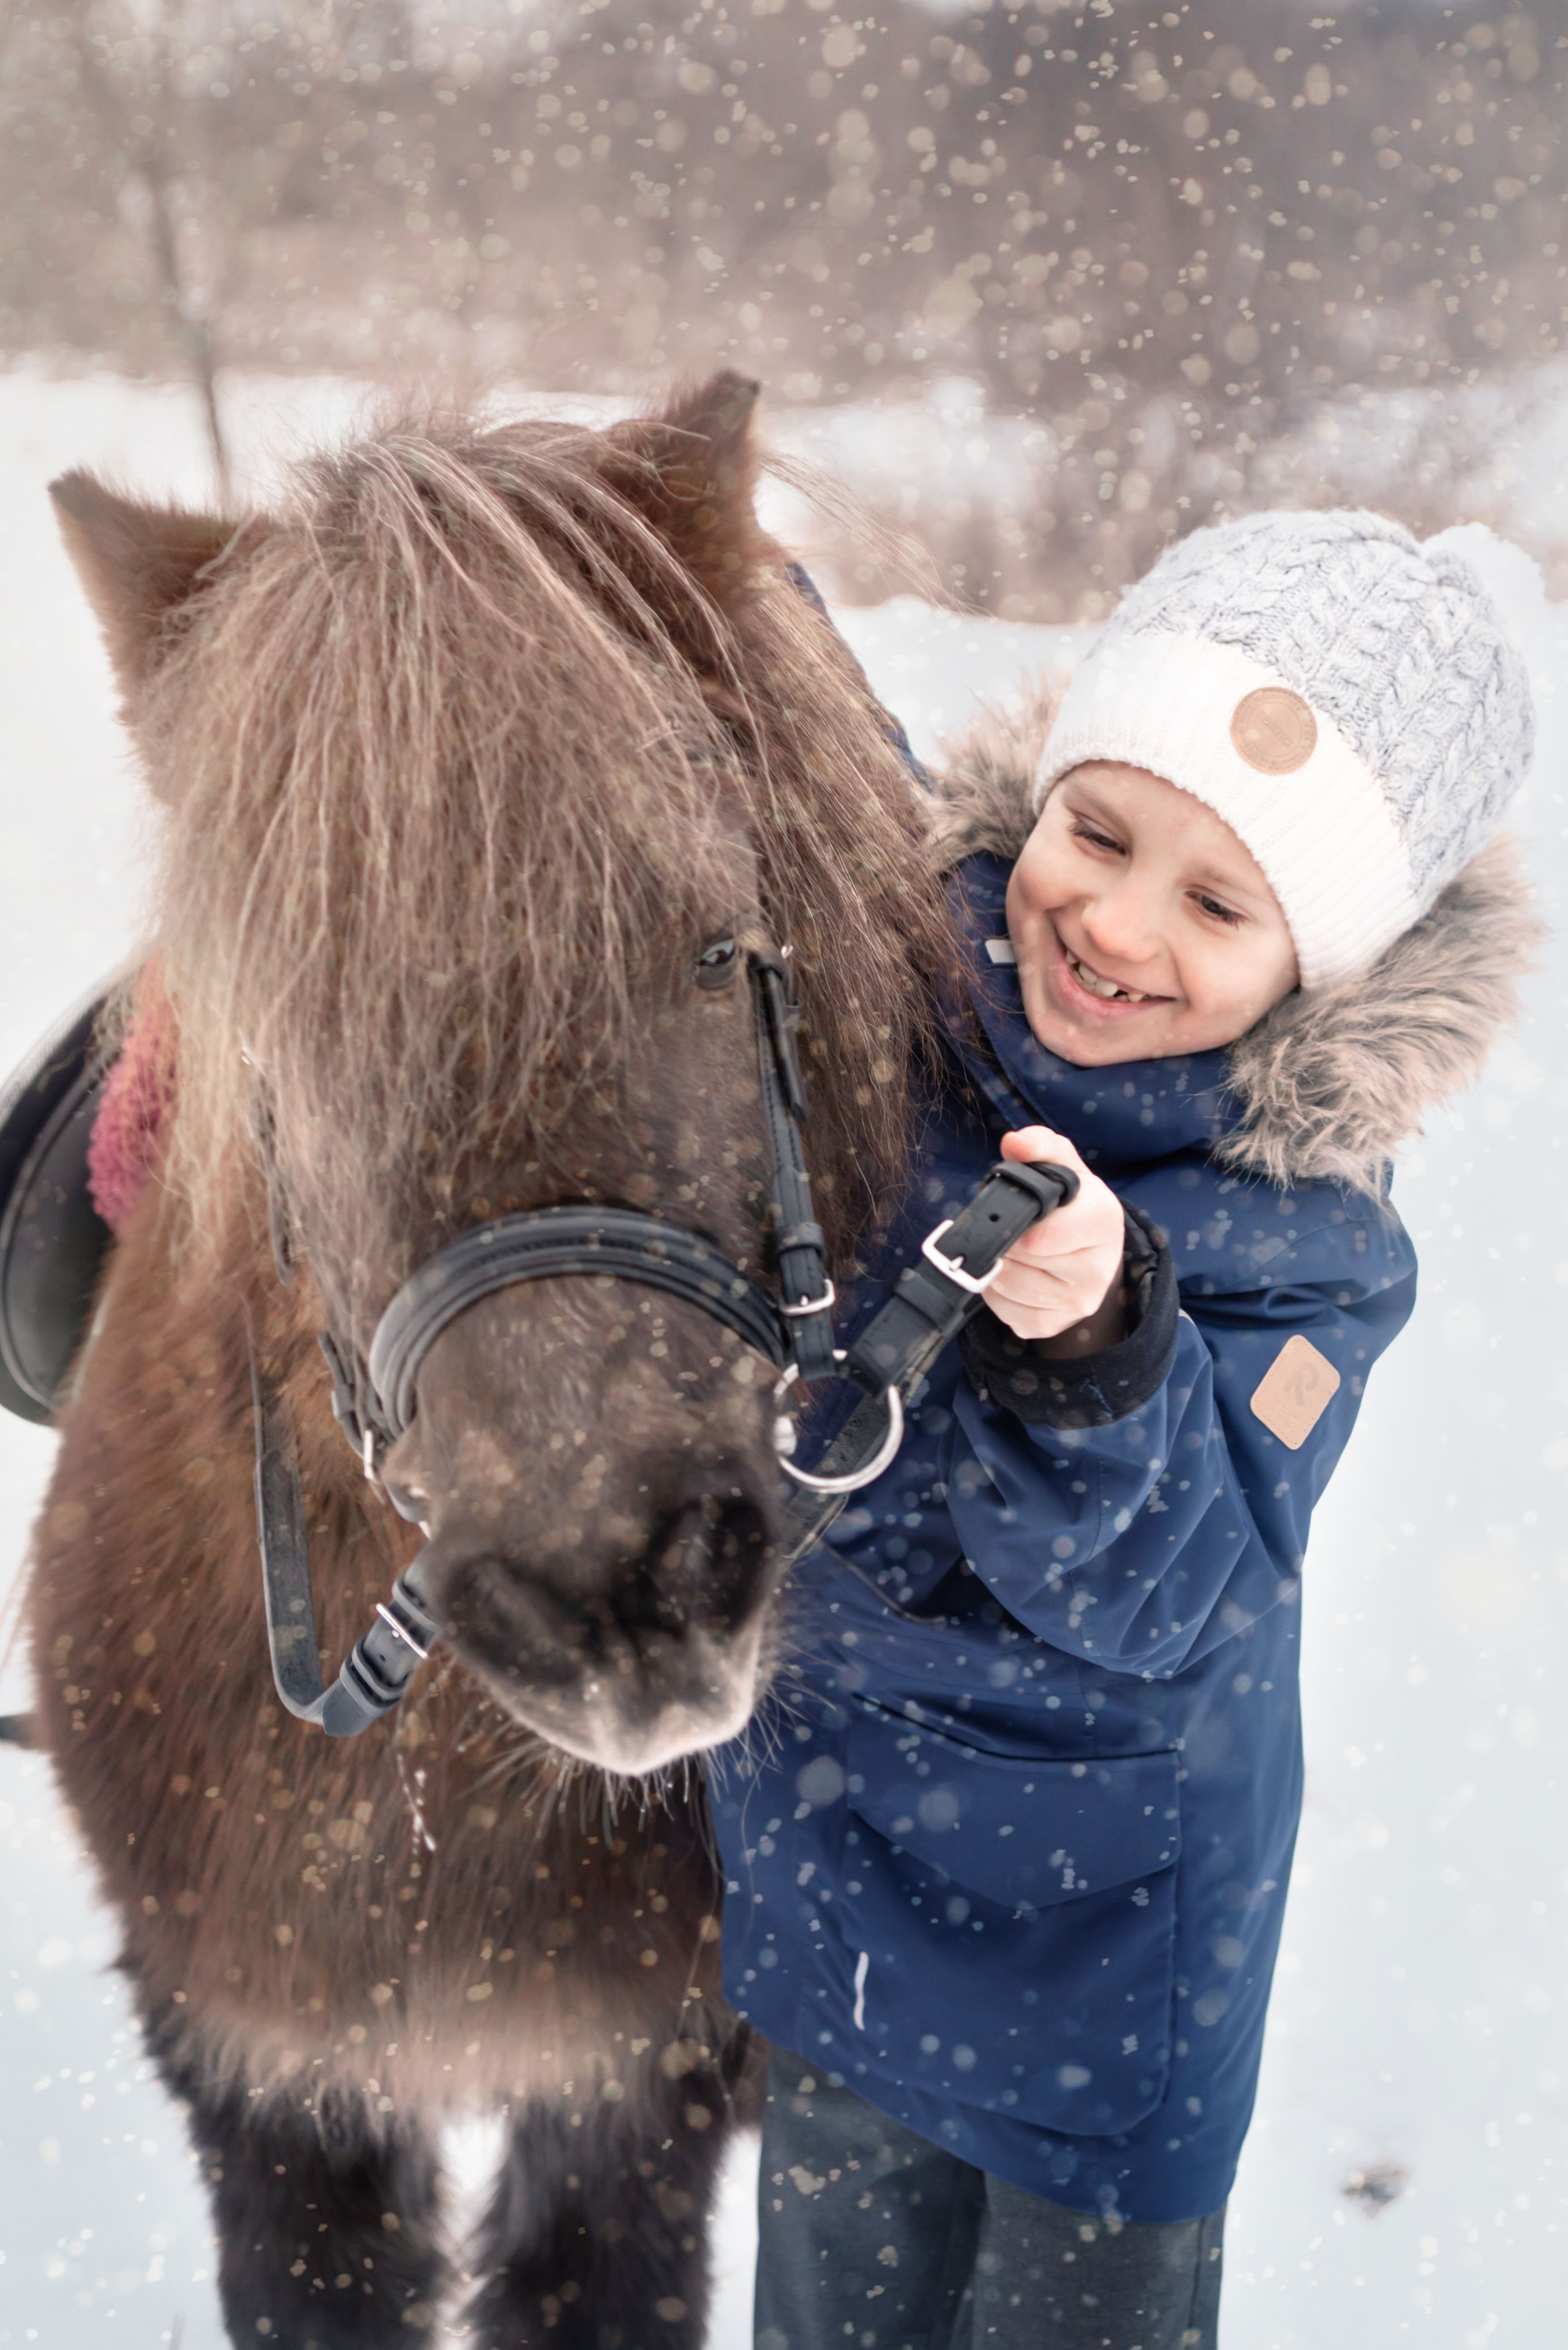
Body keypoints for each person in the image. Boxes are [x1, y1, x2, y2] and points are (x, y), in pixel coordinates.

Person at [707, 510, 1541, 2350]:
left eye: (1219, 907)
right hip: (840, 1859)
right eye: (1097, 833)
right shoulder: (898, 988)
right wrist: (711, 573)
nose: (1114, 923)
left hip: (1105, 1946)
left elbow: (1173, 1588)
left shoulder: (1305, 1244)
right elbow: (798, 749)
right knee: (831, 2309)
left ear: (1323, 966)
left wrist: (1098, 1345)